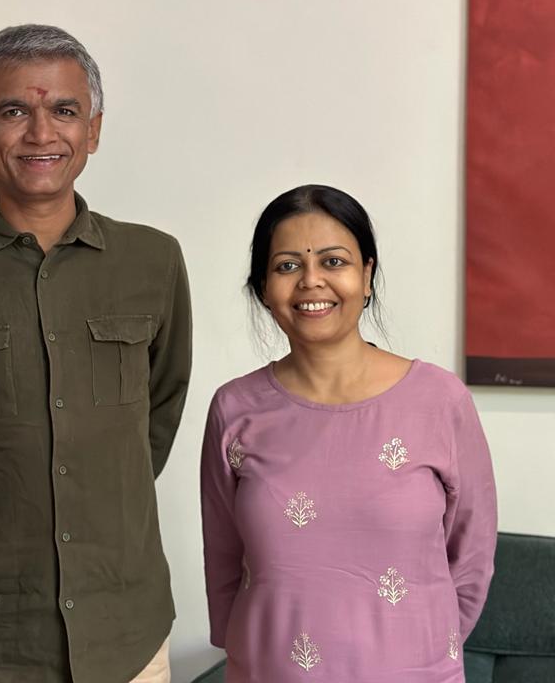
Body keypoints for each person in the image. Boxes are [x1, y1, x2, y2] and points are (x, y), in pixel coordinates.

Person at [0, 24, 192, 683]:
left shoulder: (154, 262)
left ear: (95, 128)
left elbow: (156, 419)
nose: (41, 133)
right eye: (13, 111)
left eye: (64, 110)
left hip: (126, 635)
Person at [201, 184, 497, 682]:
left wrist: (418, 651)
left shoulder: (440, 401)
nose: (311, 281)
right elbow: (224, 561)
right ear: (262, 287)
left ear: (367, 275)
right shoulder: (235, 409)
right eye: (287, 266)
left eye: (334, 262)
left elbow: (471, 557)